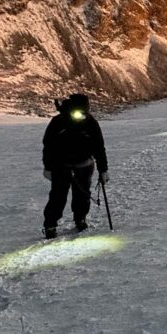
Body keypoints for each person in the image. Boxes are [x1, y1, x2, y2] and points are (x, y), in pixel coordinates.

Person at [42, 93, 108, 239]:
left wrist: (103, 169)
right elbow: (48, 146)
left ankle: (80, 218)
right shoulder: (58, 121)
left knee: (82, 196)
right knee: (58, 196)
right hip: (61, 166)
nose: (81, 115)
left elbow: (99, 147)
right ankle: (50, 224)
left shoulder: (91, 122)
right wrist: (48, 167)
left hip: (84, 165)